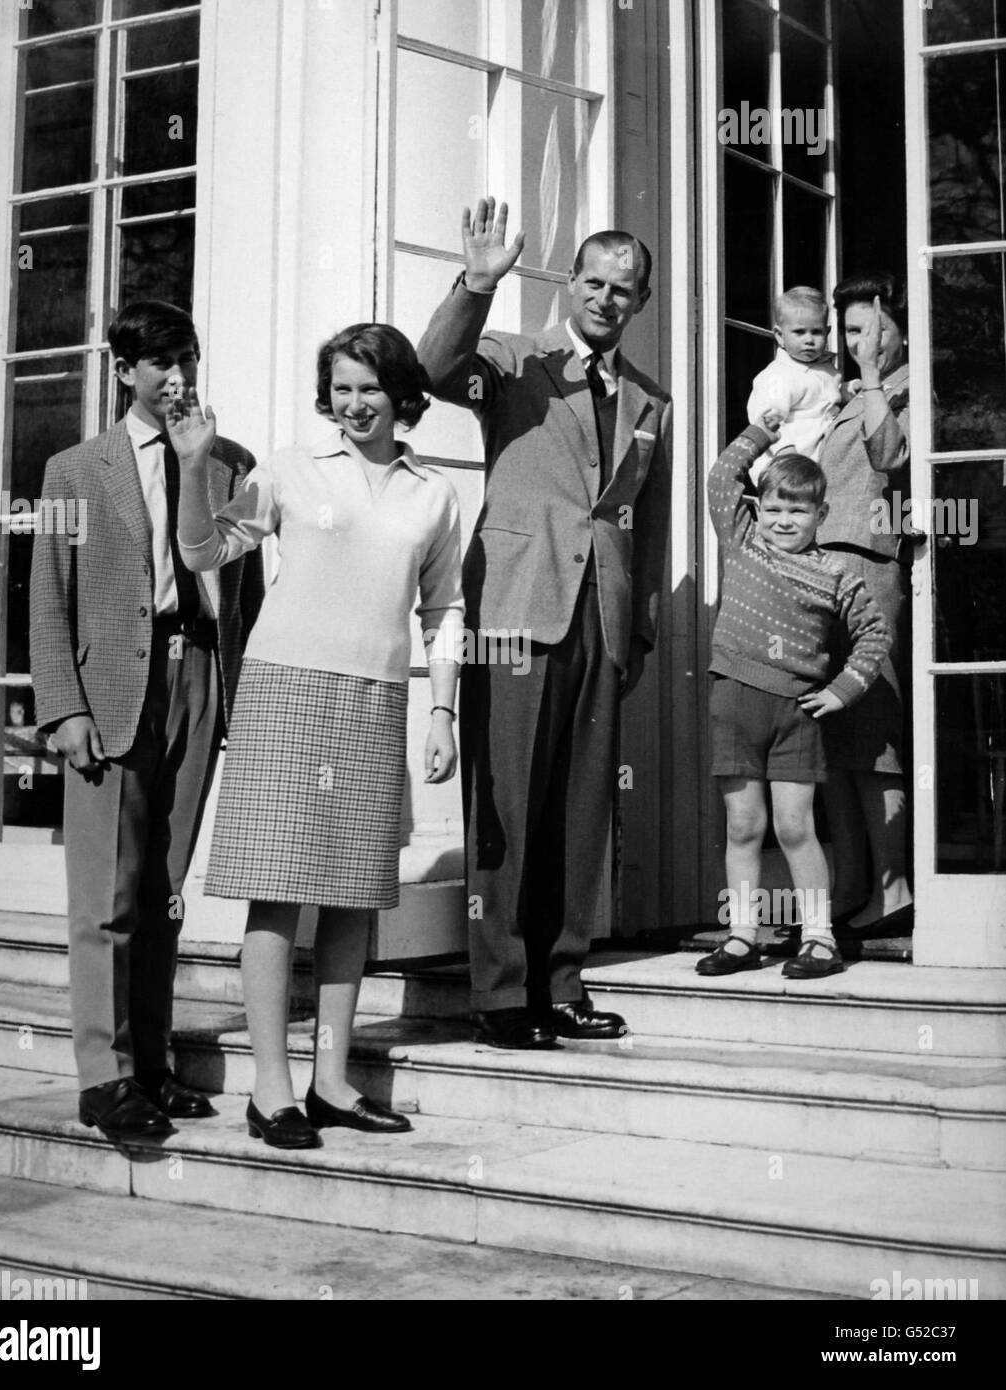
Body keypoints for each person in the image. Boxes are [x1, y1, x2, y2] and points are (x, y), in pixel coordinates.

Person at [173, 323, 462, 1148]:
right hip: (285, 689)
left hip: (375, 699)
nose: (354, 402)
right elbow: (201, 550)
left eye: (369, 387)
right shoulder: (292, 471)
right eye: (340, 387)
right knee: (280, 887)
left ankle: (330, 1080)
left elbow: (444, 612)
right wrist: (195, 464)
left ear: (401, 393)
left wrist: (440, 711)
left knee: (351, 897)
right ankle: (270, 1089)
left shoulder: (433, 494)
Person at [417, 198, 672, 1049]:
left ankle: (561, 981)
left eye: (622, 290)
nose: (604, 298)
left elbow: (650, 519)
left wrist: (636, 626)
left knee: (579, 809)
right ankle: (497, 994)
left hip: (598, 618)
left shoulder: (650, 400)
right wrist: (475, 286)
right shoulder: (513, 361)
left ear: (639, 302)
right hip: (514, 610)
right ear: (569, 283)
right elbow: (433, 366)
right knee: (507, 805)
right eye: (592, 282)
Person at [30, 300, 264, 1142]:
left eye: (188, 360)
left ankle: (153, 1065)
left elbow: (246, 597)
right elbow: (46, 597)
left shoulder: (231, 464)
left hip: (197, 673)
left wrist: (242, 698)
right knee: (106, 895)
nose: (178, 379)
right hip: (111, 694)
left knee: (163, 891)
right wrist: (61, 707)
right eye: (161, 362)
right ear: (124, 369)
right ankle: (104, 1076)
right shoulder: (74, 470)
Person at [700, 418, 890, 979]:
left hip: (796, 713)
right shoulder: (742, 542)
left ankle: (819, 939)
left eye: (799, 511)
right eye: (775, 508)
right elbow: (720, 477)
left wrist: (840, 692)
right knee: (743, 826)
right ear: (760, 510)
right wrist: (763, 431)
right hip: (734, 700)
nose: (785, 520)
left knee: (794, 826)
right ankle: (741, 935)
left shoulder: (835, 574)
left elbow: (874, 636)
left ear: (821, 516)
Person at [817, 273, 912, 934]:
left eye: (867, 328)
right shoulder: (849, 394)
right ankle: (854, 886)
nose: (857, 344)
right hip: (827, 565)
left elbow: (892, 453)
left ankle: (894, 887)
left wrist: (875, 375)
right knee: (837, 740)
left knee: (873, 734)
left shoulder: (902, 386)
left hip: (869, 565)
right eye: (848, 332)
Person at [746, 286, 843, 468]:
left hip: (820, 462)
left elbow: (832, 394)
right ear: (780, 336)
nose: (809, 340)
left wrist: (848, 389)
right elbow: (768, 418)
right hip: (787, 464)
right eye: (799, 332)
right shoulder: (778, 376)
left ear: (827, 333)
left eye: (816, 332)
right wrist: (785, 451)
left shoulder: (827, 369)